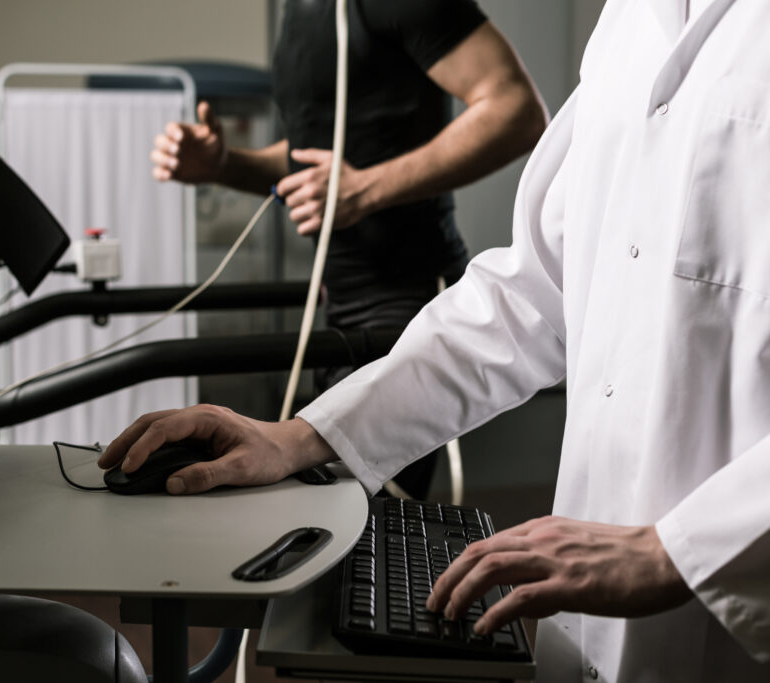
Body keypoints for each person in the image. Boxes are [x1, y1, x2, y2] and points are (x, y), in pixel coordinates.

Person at [108, 0, 770, 680]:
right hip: (589, 587)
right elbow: (532, 295)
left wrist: (678, 551)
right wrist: (302, 436)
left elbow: (510, 110)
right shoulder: (629, 23)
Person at [152, 0, 546, 496]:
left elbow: (516, 108)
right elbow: (313, 162)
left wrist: (368, 189)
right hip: (339, 306)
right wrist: (222, 166)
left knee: (357, 518)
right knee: (334, 512)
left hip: (404, 302)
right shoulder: (300, 14)